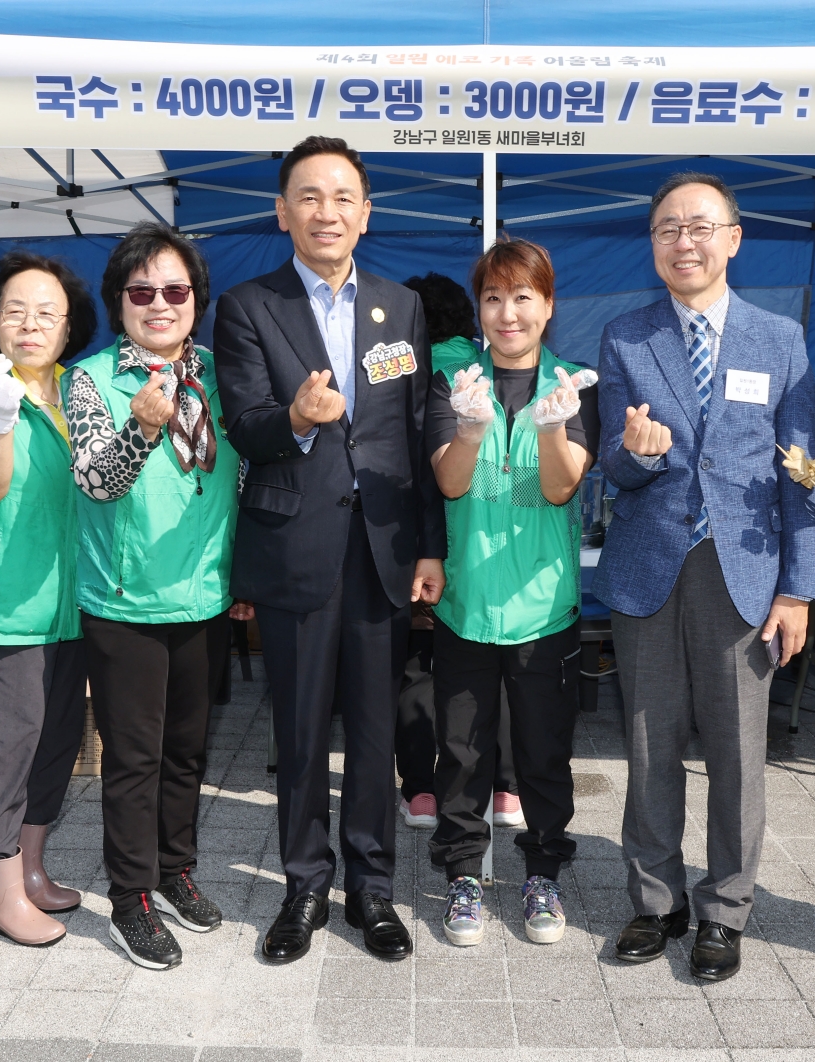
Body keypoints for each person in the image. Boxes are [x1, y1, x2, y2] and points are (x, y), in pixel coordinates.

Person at [214, 135, 445, 965]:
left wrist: (429, 546)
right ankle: (305, 885)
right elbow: (243, 427)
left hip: (383, 550)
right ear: (282, 213)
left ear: (366, 212)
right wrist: (297, 422)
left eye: (343, 197)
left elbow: (416, 432)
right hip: (296, 548)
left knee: (378, 733)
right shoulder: (248, 306)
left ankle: (372, 890)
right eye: (309, 197)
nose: (327, 212)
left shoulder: (401, 306)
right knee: (304, 731)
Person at [595, 173, 815, 982]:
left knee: (736, 753)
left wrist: (796, 589)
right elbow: (612, 466)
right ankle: (656, 901)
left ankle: (724, 909)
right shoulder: (626, 337)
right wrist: (635, 454)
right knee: (650, 748)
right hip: (652, 563)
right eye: (666, 230)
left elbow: (804, 474)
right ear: (652, 245)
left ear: (732, 237)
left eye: (698, 227)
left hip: (745, 575)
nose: (682, 243)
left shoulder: (779, 340)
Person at [66, 222, 240, 970]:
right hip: (125, 600)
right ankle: (130, 896)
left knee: (188, 753)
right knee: (133, 759)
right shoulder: (91, 378)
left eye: (176, 290)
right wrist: (140, 427)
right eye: (143, 292)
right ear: (119, 302)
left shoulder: (223, 374)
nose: (160, 304)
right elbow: (95, 480)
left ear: (196, 300)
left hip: (205, 595)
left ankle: (176, 871)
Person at [425, 239, 600, 947]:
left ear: (548, 305)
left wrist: (554, 427)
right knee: (461, 751)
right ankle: (465, 875)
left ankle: (543, 876)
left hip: (544, 605)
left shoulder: (572, 383)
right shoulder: (452, 377)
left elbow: (560, 486)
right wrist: (469, 425)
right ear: (479, 308)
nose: (508, 312)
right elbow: (449, 481)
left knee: (543, 752)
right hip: (465, 600)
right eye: (494, 298)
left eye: (523, 297)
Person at [0, 251, 99, 947]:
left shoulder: (80, 391)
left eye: (47, 312)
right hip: (10, 606)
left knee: (58, 742)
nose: (30, 323)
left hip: (78, 603)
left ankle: (32, 871)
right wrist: (3, 420)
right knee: (8, 750)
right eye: (14, 310)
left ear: (70, 328)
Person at [398, 271, 524, 833]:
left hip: (415, 541)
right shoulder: (486, 365)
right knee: (492, 669)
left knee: (418, 669)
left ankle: (422, 791)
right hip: (479, 545)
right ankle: (504, 788)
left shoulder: (408, 370)